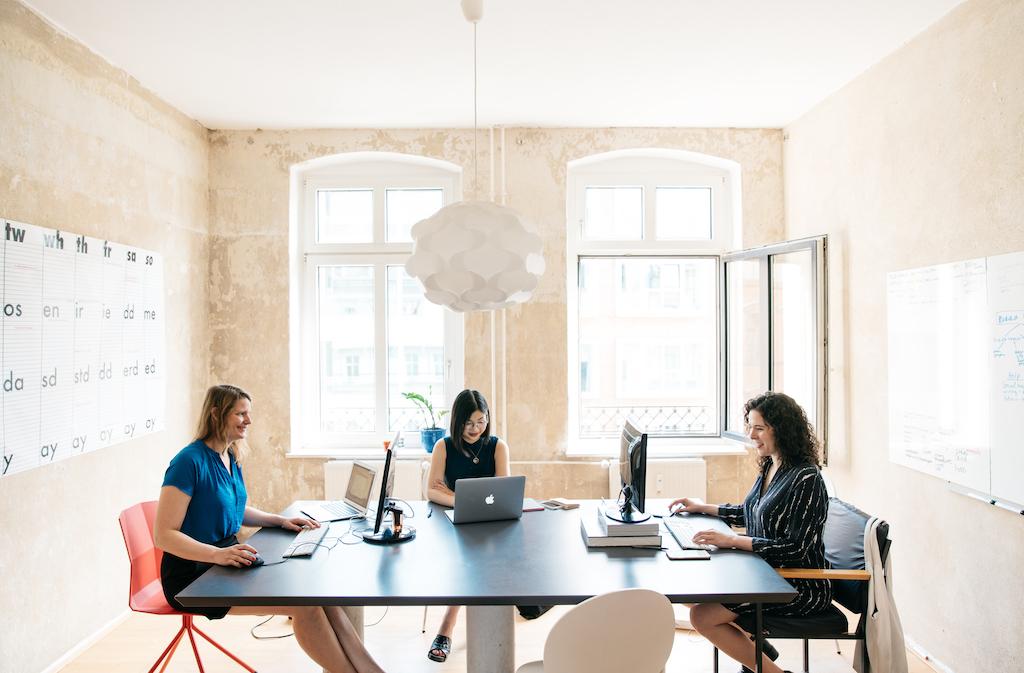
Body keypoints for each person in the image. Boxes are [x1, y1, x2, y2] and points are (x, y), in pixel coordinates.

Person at [154, 384, 387, 673]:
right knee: (303, 605)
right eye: (241, 414)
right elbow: (164, 535)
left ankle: (370, 670)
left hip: (227, 559)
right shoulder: (187, 462)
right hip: (192, 575)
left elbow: (235, 511)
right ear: (216, 414)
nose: (248, 421)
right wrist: (217, 554)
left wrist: (279, 520)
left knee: (318, 593)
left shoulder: (230, 456)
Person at [670, 391, 831, 673]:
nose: (751, 435)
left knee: (702, 616)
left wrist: (732, 540)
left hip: (797, 585)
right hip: (765, 575)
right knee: (684, 590)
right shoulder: (772, 464)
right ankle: (755, 647)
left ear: (781, 430)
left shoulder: (807, 478)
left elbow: (795, 549)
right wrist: (702, 507)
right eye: (749, 427)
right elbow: (750, 511)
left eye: (759, 428)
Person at [424, 388, 511, 663]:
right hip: (454, 522)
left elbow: (503, 492)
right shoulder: (444, 446)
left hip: (490, 525)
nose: (476, 429)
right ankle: (448, 627)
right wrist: (465, 502)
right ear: (457, 420)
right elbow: (431, 491)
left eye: (481, 421)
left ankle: (449, 629)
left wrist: (452, 495)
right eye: (469, 422)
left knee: (479, 555)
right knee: (469, 557)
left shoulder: (498, 446)